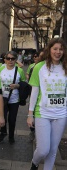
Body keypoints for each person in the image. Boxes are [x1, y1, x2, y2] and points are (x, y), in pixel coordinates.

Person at [27, 38, 67, 170]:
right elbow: (34, 92)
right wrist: (30, 114)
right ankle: (34, 162)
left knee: (53, 149)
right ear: (49, 50)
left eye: (61, 49)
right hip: (42, 113)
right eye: (55, 49)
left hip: (61, 114)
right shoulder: (39, 67)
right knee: (43, 149)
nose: (58, 52)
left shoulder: (65, 67)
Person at [0, 51, 26, 144]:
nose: (10, 60)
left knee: (12, 119)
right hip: (2, 99)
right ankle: (3, 132)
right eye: (8, 58)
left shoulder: (19, 70)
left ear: (16, 60)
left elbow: (23, 84)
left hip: (14, 99)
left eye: (12, 59)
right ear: (5, 59)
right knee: (2, 117)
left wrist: (17, 86)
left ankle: (11, 136)